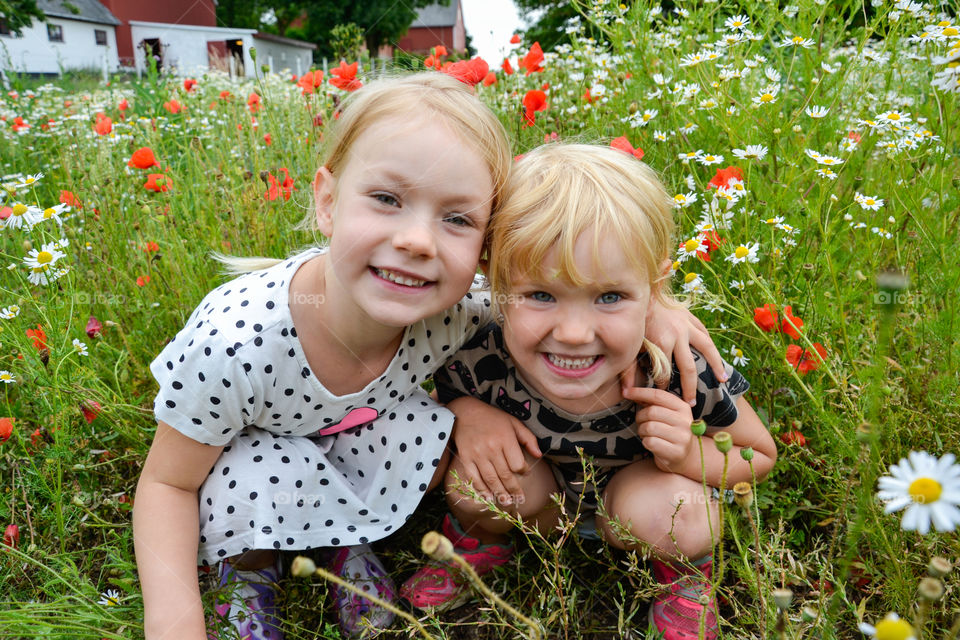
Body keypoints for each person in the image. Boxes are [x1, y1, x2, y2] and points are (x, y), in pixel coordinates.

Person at [133, 73, 726, 640]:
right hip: (259, 457)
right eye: (387, 198)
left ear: (488, 250)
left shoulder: (462, 306)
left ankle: (344, 539)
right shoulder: (237, 342)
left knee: (414, 424)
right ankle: (246, 567)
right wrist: (173, 623)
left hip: (358, 437)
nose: (418, 241)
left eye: (458, 219)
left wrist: (655, 308)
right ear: (327, 200)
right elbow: (167, 484)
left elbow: (560, 291)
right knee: (252, 472)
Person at [400, 143, 777, 640]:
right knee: (472, 482)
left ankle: (683, 575)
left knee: (683, 518)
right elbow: (424, 401)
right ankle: (482, 542)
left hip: (638, 506)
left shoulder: (673, 367)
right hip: (544, 507)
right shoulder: (478, 353)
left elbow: (760, 455)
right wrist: (467, 413)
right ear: (494, 281)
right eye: (540, 295)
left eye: (610, 297)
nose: (575, 332)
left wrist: (687, 451)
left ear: (655, 285)